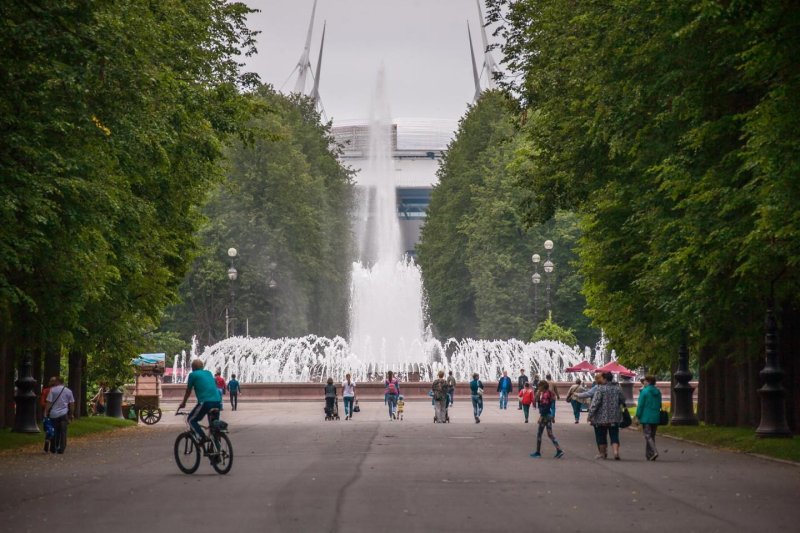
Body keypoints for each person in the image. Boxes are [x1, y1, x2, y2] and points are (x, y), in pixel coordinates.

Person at [179, 359, 222, 442]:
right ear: (202, 367)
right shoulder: (209, 373)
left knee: (191, 420)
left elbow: (188, 391)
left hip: (205, 402)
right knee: (214, 427)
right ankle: (218, 451)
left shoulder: (192, 375)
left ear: (193, 368)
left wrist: (183, 403)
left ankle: (202, 437)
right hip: (217, 401)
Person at [588, 372, 626, 460]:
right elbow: (623, 399)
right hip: (615, 417)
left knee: (601, 435)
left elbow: (595, 403)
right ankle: (616, 452)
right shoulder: (617, 388)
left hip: (601, 418)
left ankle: (602, 454)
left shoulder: (600, 389)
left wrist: (590, 415)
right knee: (614, 435)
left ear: (605, 379)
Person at [530, 381, 564, 459]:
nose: (538, 388)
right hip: (548, 415)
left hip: (545, 416)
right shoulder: (548, 393)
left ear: (542, 386)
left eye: (539, 386)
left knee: (539, 434)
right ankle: (559, 450)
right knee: (550, 434)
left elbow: (545, 407)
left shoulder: (545, 395)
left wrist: (541, 416)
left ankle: (538, 452)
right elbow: (546, 405)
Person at [45, 377, 75, 454]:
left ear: (57, 381)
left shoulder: (52, 390)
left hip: (53, 414)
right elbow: (71, 404)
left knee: (54, 431)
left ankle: (53, 448)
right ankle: (61, 448)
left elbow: (49, 402)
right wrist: (71, 414)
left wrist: (46, 412)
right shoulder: (69, 391)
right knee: (63, 432)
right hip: (63, 414)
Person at [635, 375, 662, 461]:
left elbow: (640, 405)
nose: (644, 382)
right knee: (652, 436)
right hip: (655, 416)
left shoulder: (645, 392)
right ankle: (649, 455)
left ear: (649, 381)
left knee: (647, 435)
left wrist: (637, 416)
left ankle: (654, 451)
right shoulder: (658, 392)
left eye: (645, 381)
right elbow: (660, 404)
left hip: (646, 416)